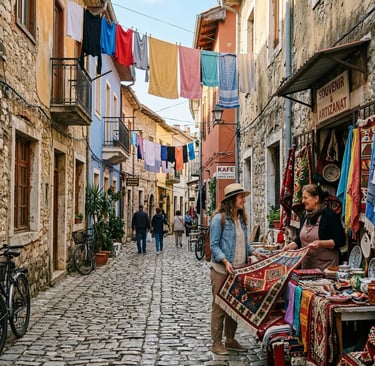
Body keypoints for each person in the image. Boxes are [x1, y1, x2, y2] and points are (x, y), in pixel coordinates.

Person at [209, 182, 267, 355]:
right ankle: (216, 342)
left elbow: (245, 244)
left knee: (234, 307)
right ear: (232, 200)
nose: (244, 200)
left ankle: (230, 339)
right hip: (221, 270)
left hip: (238, 271)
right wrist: (225, 261)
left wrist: (256, 252)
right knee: (219, 307)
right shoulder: (219, 219)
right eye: (241, 197)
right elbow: (214, 245)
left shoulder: (241, 220)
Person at [282, 183, 346, 271]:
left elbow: (341, 240)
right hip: (308, 265)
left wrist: (321, 243)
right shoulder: (305, 215)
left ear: (316, 198)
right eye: (302, 198)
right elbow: (300, 239)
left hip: (326, 266)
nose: (302, 201)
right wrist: (292, 245)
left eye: (305, 198)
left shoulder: (329, 216)